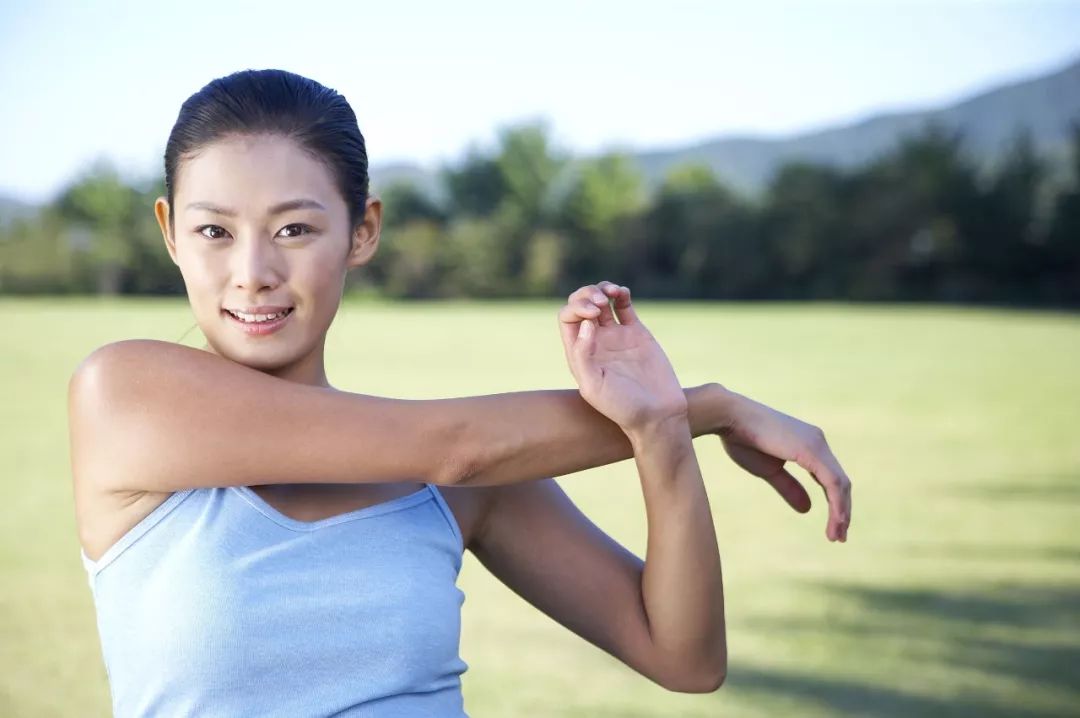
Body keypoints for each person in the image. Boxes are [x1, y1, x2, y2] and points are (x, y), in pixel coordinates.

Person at [67, 69, 853, 717]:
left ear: (363, 230)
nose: (253, 271)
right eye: (214, 231)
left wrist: (667, 435)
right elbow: (460, 447)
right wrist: (708, 406)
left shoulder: (461, 487)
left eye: (295, 229)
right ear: (170, 231)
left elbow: (685, 659)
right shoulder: (122, 395)